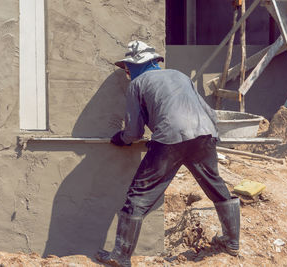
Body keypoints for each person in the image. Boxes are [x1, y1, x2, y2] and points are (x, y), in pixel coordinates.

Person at [95, 40, 240, 267]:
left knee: (139, 196)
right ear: (155, 62)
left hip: (170, 141)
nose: (126, 73)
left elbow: (134, 131)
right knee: (215, 185)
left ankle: (121, 255)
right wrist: (211, 139)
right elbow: (210, 112)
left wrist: (121, 139)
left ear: (135, 66)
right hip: (205, 135)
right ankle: (231, 241)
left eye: (127, 68)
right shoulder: (181, 76)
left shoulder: (138, 83)